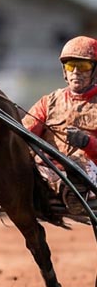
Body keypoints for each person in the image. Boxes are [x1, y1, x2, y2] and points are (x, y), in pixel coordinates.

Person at [20, 36, 97, 214]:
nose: (76, 72)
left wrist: (87, 143)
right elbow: (22, 135)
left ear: (94, 71)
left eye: (83, 66)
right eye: (71, 66)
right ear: (65, 70)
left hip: (88, 174)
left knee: (79, 163)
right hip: (49, 171)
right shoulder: (49, 102)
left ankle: (74, 191)